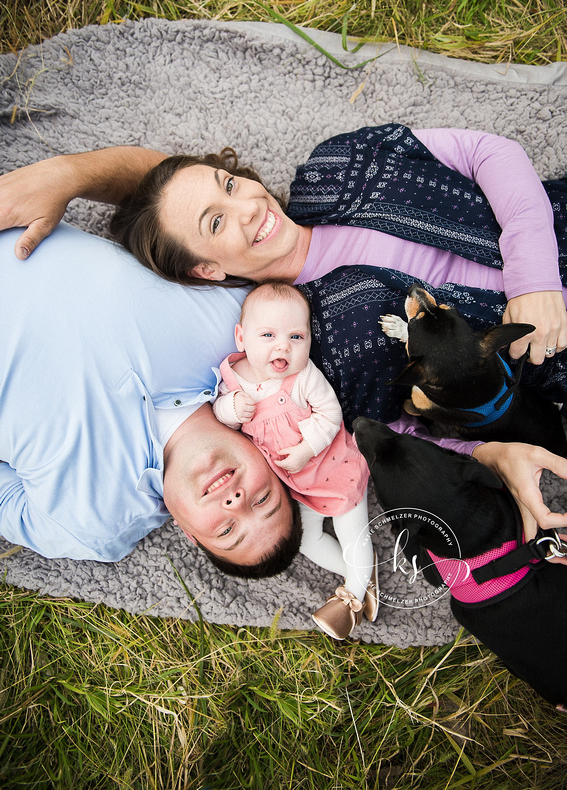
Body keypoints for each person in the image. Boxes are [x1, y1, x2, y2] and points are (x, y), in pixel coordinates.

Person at [2, 125, 567, 553]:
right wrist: (489, 452)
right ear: (206, 271)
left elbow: (488, 152)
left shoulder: (336, 166)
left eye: (230, 185)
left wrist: (536, 279)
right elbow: (400, 428)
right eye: (216, 223)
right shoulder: (316, 349)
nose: (250, 205)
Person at [0, 221, 301, 573]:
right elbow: (189, 207)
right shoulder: (245, 328)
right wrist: (63, 180)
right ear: (272, 463)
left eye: (226, 529)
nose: (236, 501)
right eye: (263, 498)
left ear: (189, 535)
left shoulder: (93, 526)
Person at [213, 281, 377, 639]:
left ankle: (350, 600)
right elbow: (222, 417)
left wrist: (306, 449)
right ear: (241, 338)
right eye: (268, 334)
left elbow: (330, 415)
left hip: (336, 469)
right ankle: (362, 576)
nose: (282, 346)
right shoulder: (234, 379)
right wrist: (228, 408)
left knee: (353, 536)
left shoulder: (303, 377)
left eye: (296, 337)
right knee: (306, 540)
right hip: (296, 485)